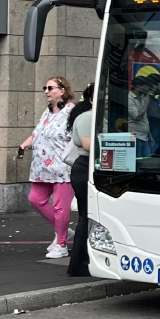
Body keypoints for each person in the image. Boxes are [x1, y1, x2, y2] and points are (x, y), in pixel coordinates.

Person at [18, 76, 75, 258]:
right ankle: (63, 230)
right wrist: (24, 145)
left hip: (62, 168)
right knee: (36, 199)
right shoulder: (48, 111)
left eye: (50, 88)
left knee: (60, 207)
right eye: (45, 88)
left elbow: (78, 136)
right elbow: (37, 133)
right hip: (42, 168)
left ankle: (61, 244)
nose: (46, 91)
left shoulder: (70, 112)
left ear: (62, 91)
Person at [64, 84, 94, 277]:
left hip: (87, 167)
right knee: (85, 216)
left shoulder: (91, 116)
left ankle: (81, 262)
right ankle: (79, 264)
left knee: (87, 216)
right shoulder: (88, 117)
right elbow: (88, 144)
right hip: (85, 166)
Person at [127, 66, 160, 157]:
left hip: (145, 136)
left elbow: (145, 119)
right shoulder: (130, 99)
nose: (147, 89)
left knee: (147, 160)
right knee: (138, 161)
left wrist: (150, 135)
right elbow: (138, 117)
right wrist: (147, 103)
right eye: (145, 86)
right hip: (136, 136)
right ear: (138, 87)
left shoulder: (142, 98)